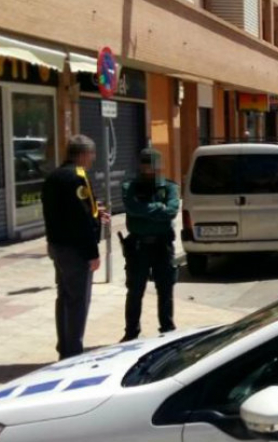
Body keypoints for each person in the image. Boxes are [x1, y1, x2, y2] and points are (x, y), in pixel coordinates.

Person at [42, 135, 108, 360]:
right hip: (76, 249)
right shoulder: (77, 177)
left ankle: (65, 348)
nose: (93, 158)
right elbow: (81, 218)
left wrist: (96, 212)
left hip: (57, 246)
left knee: (64, 298)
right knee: (78, 301)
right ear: (82, 154)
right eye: (91, 154)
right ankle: (73, 354)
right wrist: (93, 252)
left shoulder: (54, 176)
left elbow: (66, 210)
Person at [120, 148, 180, 342]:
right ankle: (131, 332)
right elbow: (132, 208)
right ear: (140, 166)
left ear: (159, 166)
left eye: (152, 165)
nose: (148, 170)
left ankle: (167, 329)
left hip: (162, 247)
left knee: (165, 289)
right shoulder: (130, 187)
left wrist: (147, 210)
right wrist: (158, 208)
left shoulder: (169, 187)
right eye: (145, 165)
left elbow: (171, 211)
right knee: (136, 290)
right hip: (138, 247)